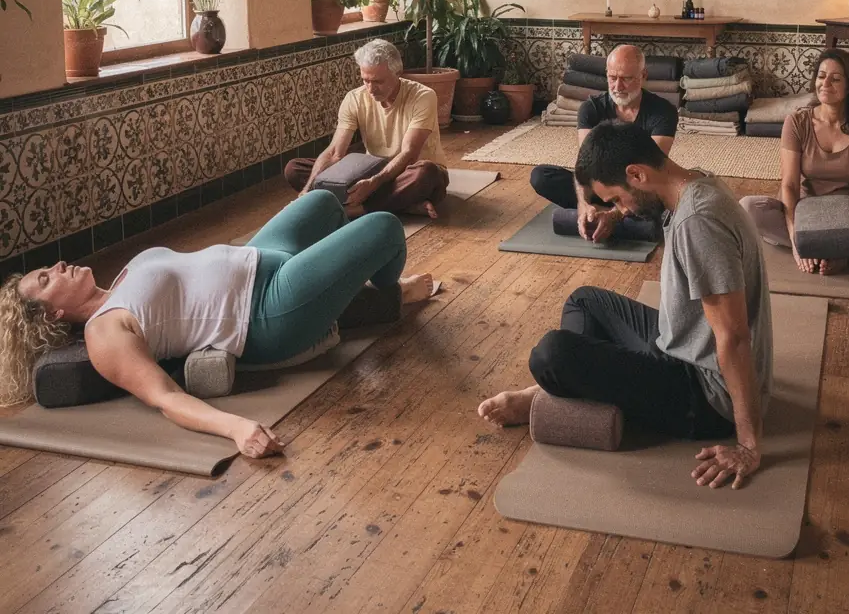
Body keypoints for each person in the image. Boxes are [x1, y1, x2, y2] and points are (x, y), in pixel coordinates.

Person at [0, 191, 434, 455]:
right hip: (266, 310)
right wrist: (237, 428)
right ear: (53, 314)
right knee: (384, 228)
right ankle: (388, 293)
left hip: (261, 257)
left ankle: (349, 293)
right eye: (46, 279)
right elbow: (165, 397)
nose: (57, 266)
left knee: (323, 202)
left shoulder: (119, 283)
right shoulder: (103, 334)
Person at [481, 120, 773, 490]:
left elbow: (733, 337)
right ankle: (583, 387)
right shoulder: (695, 182)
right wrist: (614, 212)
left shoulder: (698, 222)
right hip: (683, 343)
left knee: (550, 355)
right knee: (584, 301)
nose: (622, 210)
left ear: (636, 173)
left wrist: (748, 444)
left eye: (618, 199)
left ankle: (557, 396)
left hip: (708, 396)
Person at [739, 48, 849, 275]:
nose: (825, 84)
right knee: (748, 208)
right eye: (821, 76)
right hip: (804, 214)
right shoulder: (797, 122)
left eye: (835, 79)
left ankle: (835, 246)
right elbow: (790, 185)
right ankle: (818, 246)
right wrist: (798, 242)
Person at [284, 38, 448, 218]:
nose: (371, 89)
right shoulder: (354, 98)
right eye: (365, 80)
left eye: (378, 81)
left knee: (426, 173)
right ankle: (402, 205)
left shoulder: (423, 96)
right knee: (295, 169)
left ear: (398, 73)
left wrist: (373, 183)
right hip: (374, 171)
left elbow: (409, 154)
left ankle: (357, 210)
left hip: (409, 172)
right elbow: (335, 153)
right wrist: (306, 192)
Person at [530, 44, 677, 241]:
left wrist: (615, 215)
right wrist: (583, 204)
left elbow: (651, 172)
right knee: (541, 176)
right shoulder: (590, 109)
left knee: (661, 195)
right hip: (600, 188)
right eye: (612, 78)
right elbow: (585, 167)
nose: (617, 87)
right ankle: (607, 216)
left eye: (626, 79)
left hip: (639, 192)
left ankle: (614, 218)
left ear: (643, 76)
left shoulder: (663, 112)